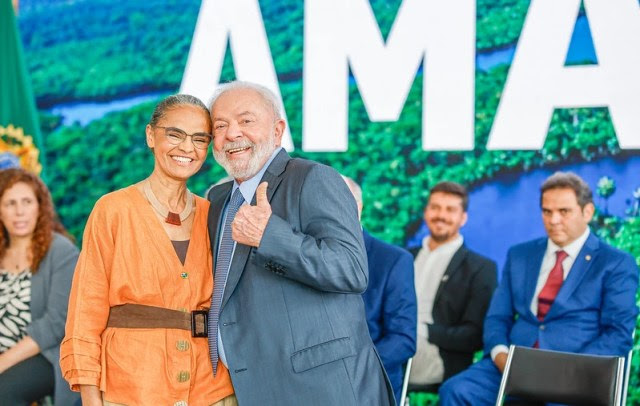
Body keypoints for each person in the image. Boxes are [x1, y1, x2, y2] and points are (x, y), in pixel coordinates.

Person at [206, 81, 395, 405]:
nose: (232, 133)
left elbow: (350, 269)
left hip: (319, 389)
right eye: (220, 126)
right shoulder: (217, 199)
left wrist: (269, 235)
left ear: (278, 130)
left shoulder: (315, 178)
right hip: (242, 388)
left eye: (246, 120)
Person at [60, 95, 234, 405]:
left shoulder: (215, 214)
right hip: (132, 388)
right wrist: (89, 393)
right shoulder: (113, 210)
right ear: (151, 135)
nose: (186, 148)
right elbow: (86, 310)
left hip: (211, 390)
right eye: (174, 134)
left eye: (199, 139)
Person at [439, 172, 639, 405]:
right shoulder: (520, 255)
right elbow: (497, 317)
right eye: (547, 211)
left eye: (564, 212)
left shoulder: (614, 263)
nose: (553, 220)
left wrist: (569, 370)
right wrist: (500, 354)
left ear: (588, 212)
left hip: (576, 372)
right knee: (456, 390)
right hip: (513, 366)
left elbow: (618, 333)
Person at [0, 168, 79, 406]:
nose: (19, 211)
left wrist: (2, 362)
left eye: (26, 201)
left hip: (46, 353)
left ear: (40, 207)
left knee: (3, 392)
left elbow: (56, 324)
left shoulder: (61, 252)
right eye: (10, 203)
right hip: (5, 349)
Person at [408, 181, 497, 389]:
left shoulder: (480, 268)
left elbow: (474, 336)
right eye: (435, 207)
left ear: (463, 218)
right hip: (392, 346)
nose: (441, 215)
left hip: (438, 356)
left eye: (450, 210)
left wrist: (421, 330)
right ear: (426, 212)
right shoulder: (403, 258)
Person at [343, 175, 417, 404]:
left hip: (369, 383)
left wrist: (352, 367)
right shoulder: (302, 257)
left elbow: (403, 339)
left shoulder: (393, 261)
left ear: (358, 207)